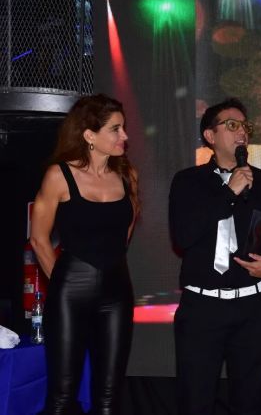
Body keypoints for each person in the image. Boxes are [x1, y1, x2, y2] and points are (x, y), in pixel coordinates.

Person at [170, 98, 261, 415]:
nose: (242, 132)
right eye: (231, 125)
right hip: (202, 309)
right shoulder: (188, 182)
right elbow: (183, 237)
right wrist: (229, 192)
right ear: (210, 136)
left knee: (250, 402)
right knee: (195, 402)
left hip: (253, 310)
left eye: (245, 126)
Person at [30, 94, 139, 414]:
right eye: (115, 129)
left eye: (124, 128)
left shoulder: (127, 175)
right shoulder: (58, 175)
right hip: (70, 292)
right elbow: (38, 239)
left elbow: (124, 234)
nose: (124, 135)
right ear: (90, 135)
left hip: (117, 291)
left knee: (109, 397)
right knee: (62, 396)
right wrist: (66, 285)